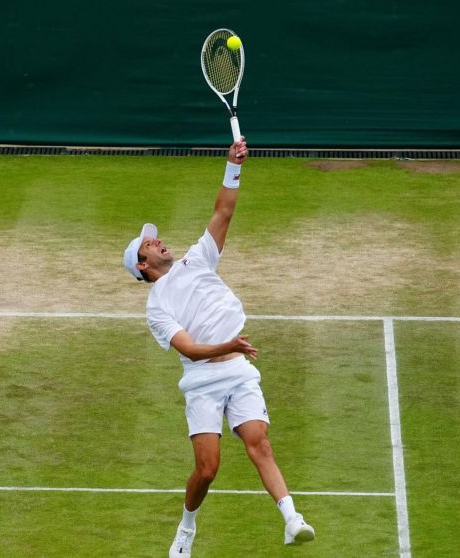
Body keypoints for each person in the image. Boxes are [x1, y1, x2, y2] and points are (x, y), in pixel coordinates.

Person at [122, 138, 314, 557]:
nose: (156, 243)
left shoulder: (197, 258)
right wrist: (229, 344)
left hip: (239, 368)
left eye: (153, 240)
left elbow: (223, 210)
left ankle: (292, 518)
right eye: (147, 246)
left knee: (258, 441)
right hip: (204, 380)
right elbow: (190, 350)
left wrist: (233, 165)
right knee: (208, 469)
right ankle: (186, 529)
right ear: (142, 266)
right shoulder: (156, 307)